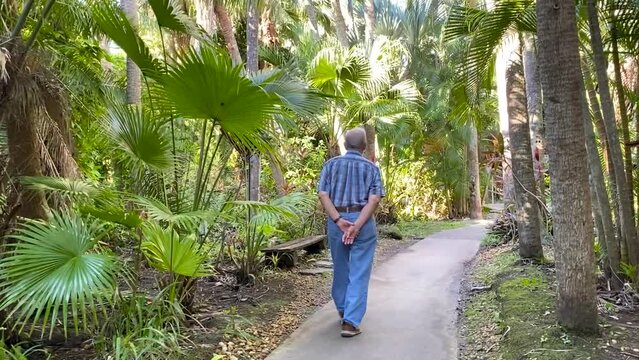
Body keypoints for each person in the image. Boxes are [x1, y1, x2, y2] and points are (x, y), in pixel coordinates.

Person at [317, 127, 385, 338]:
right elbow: (374, 199)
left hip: (337, 222)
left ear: (345, 146)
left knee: (341, 267)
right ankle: (351, 322)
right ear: (364, 147)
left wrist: (338, 220)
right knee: (359, 271)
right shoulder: (372, 168)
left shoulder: (330, 165)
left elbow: (322, 194)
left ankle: (343, 309)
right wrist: (357, 225)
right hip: (362, 223)